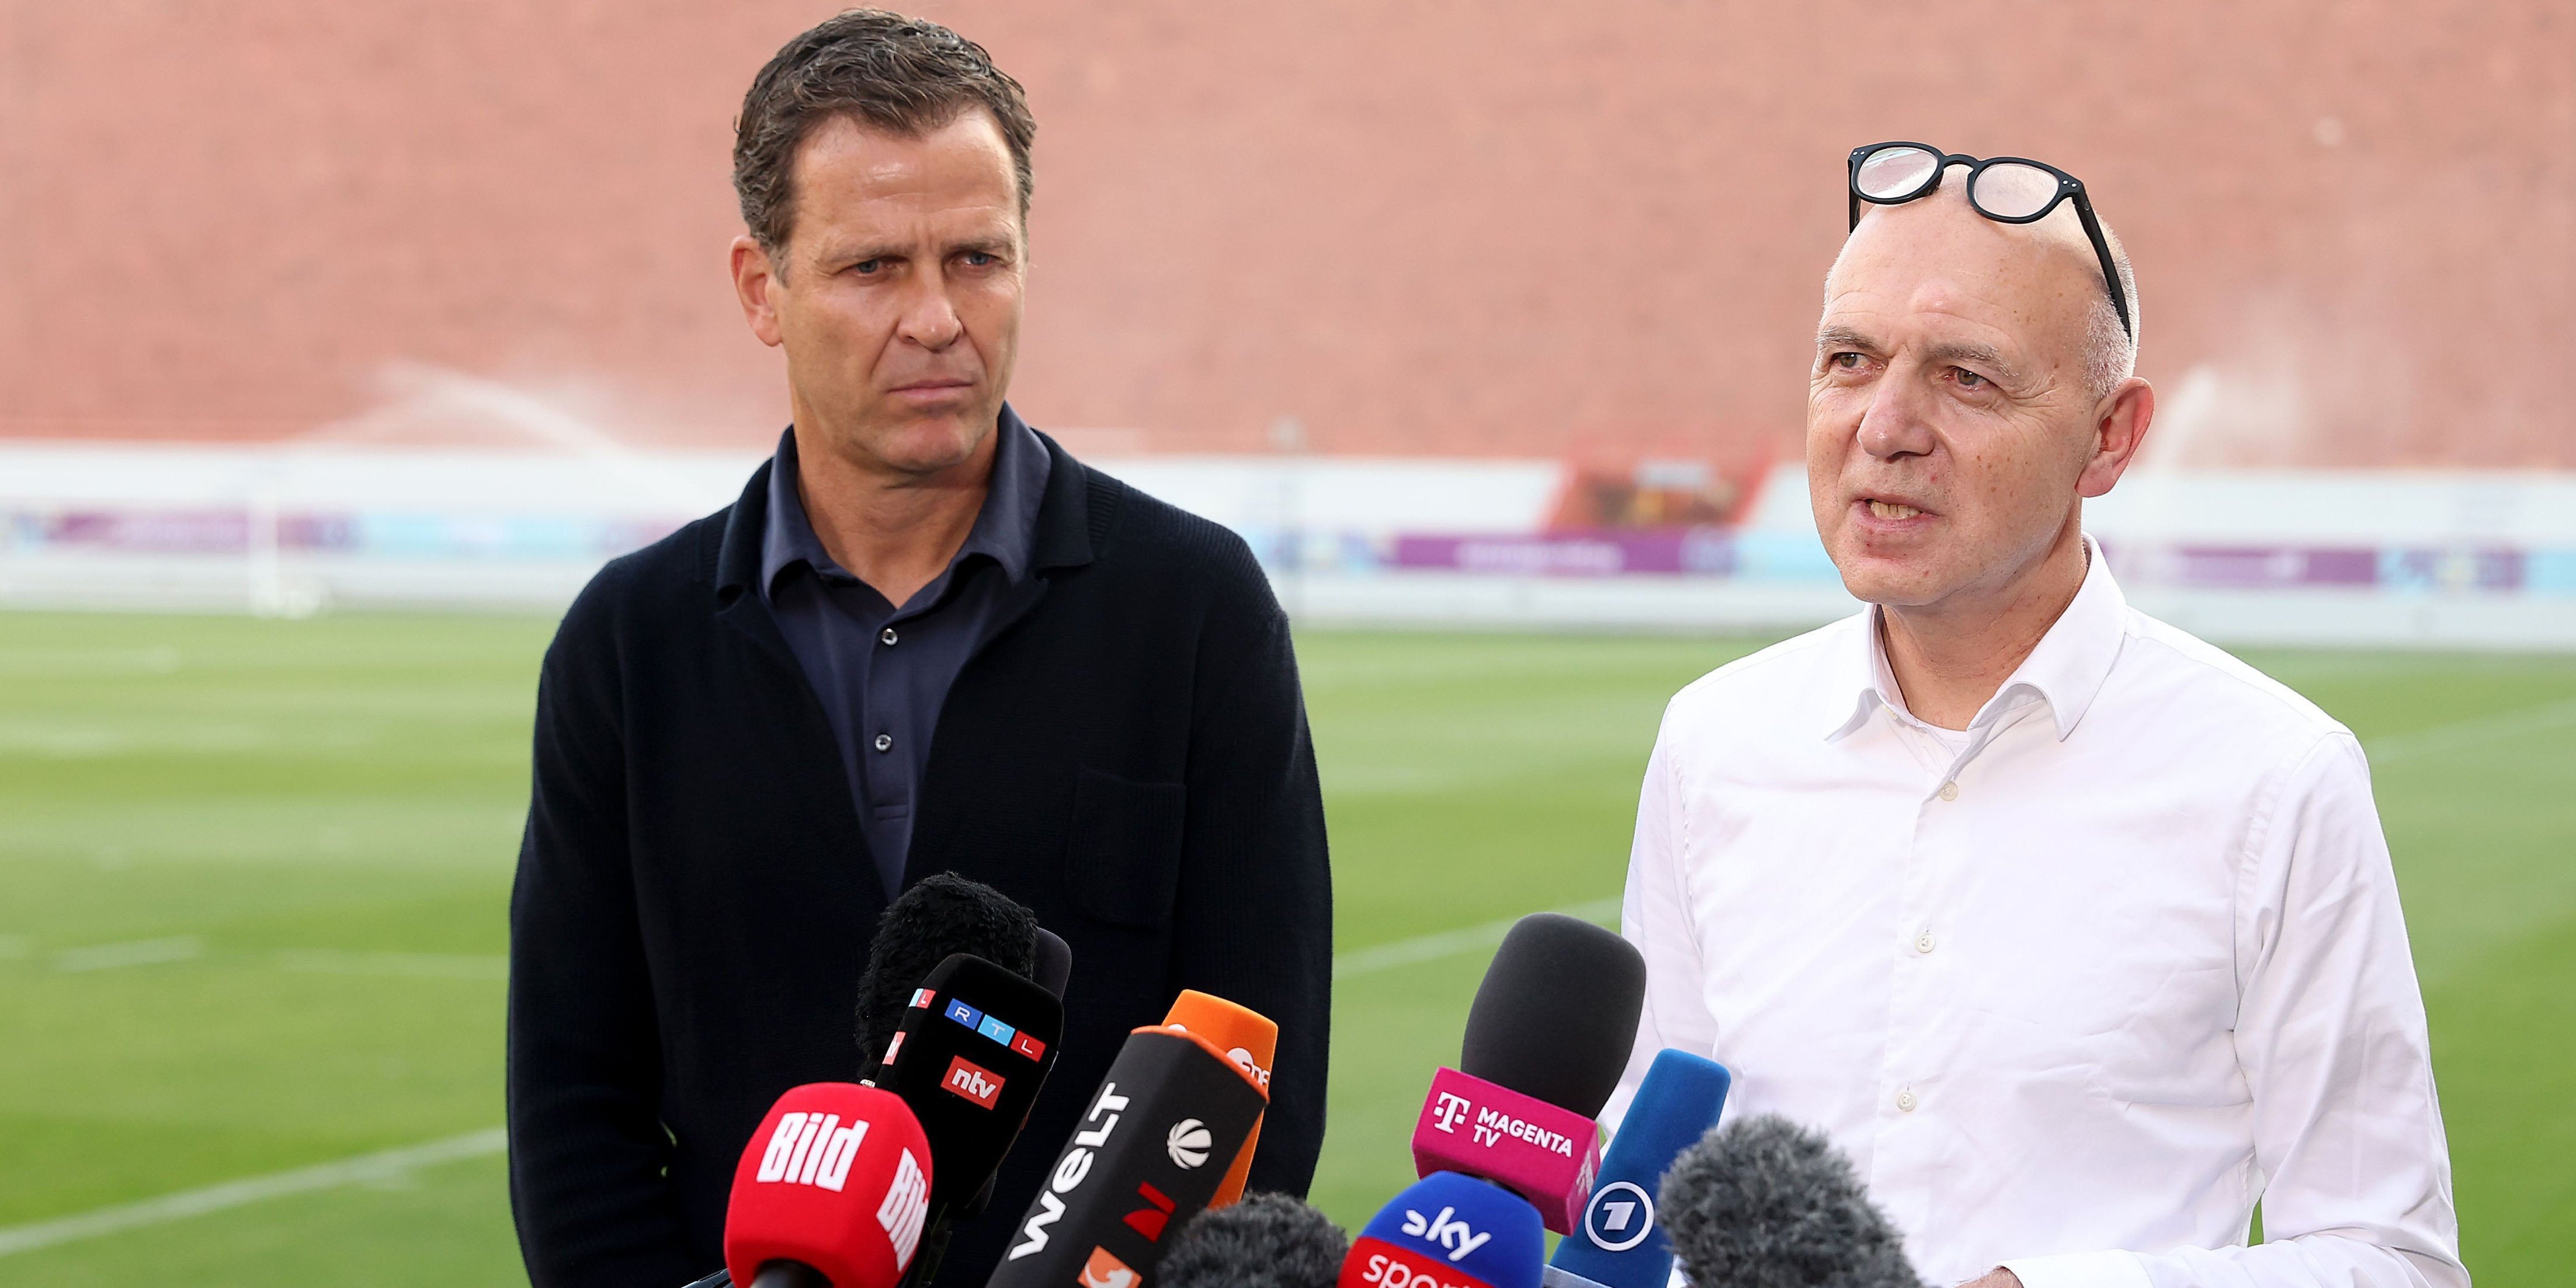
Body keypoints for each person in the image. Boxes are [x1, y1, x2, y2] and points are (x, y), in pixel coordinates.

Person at [504, 13, 1332, 1286]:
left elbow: (1258, 1082)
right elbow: (573, 1111)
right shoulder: (628, 647)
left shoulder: (1196, 608)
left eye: (977, 258)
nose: (937, 317)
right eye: (874, 267)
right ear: (761, 288)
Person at [1612, 145, 2463, 1288]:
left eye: (1967, 377)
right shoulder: (1713, 740)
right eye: (1849, 360)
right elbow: (1640, 1193)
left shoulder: (2276, 777)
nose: (1884, 426)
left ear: (2109, 437)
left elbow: (2391, 1259)